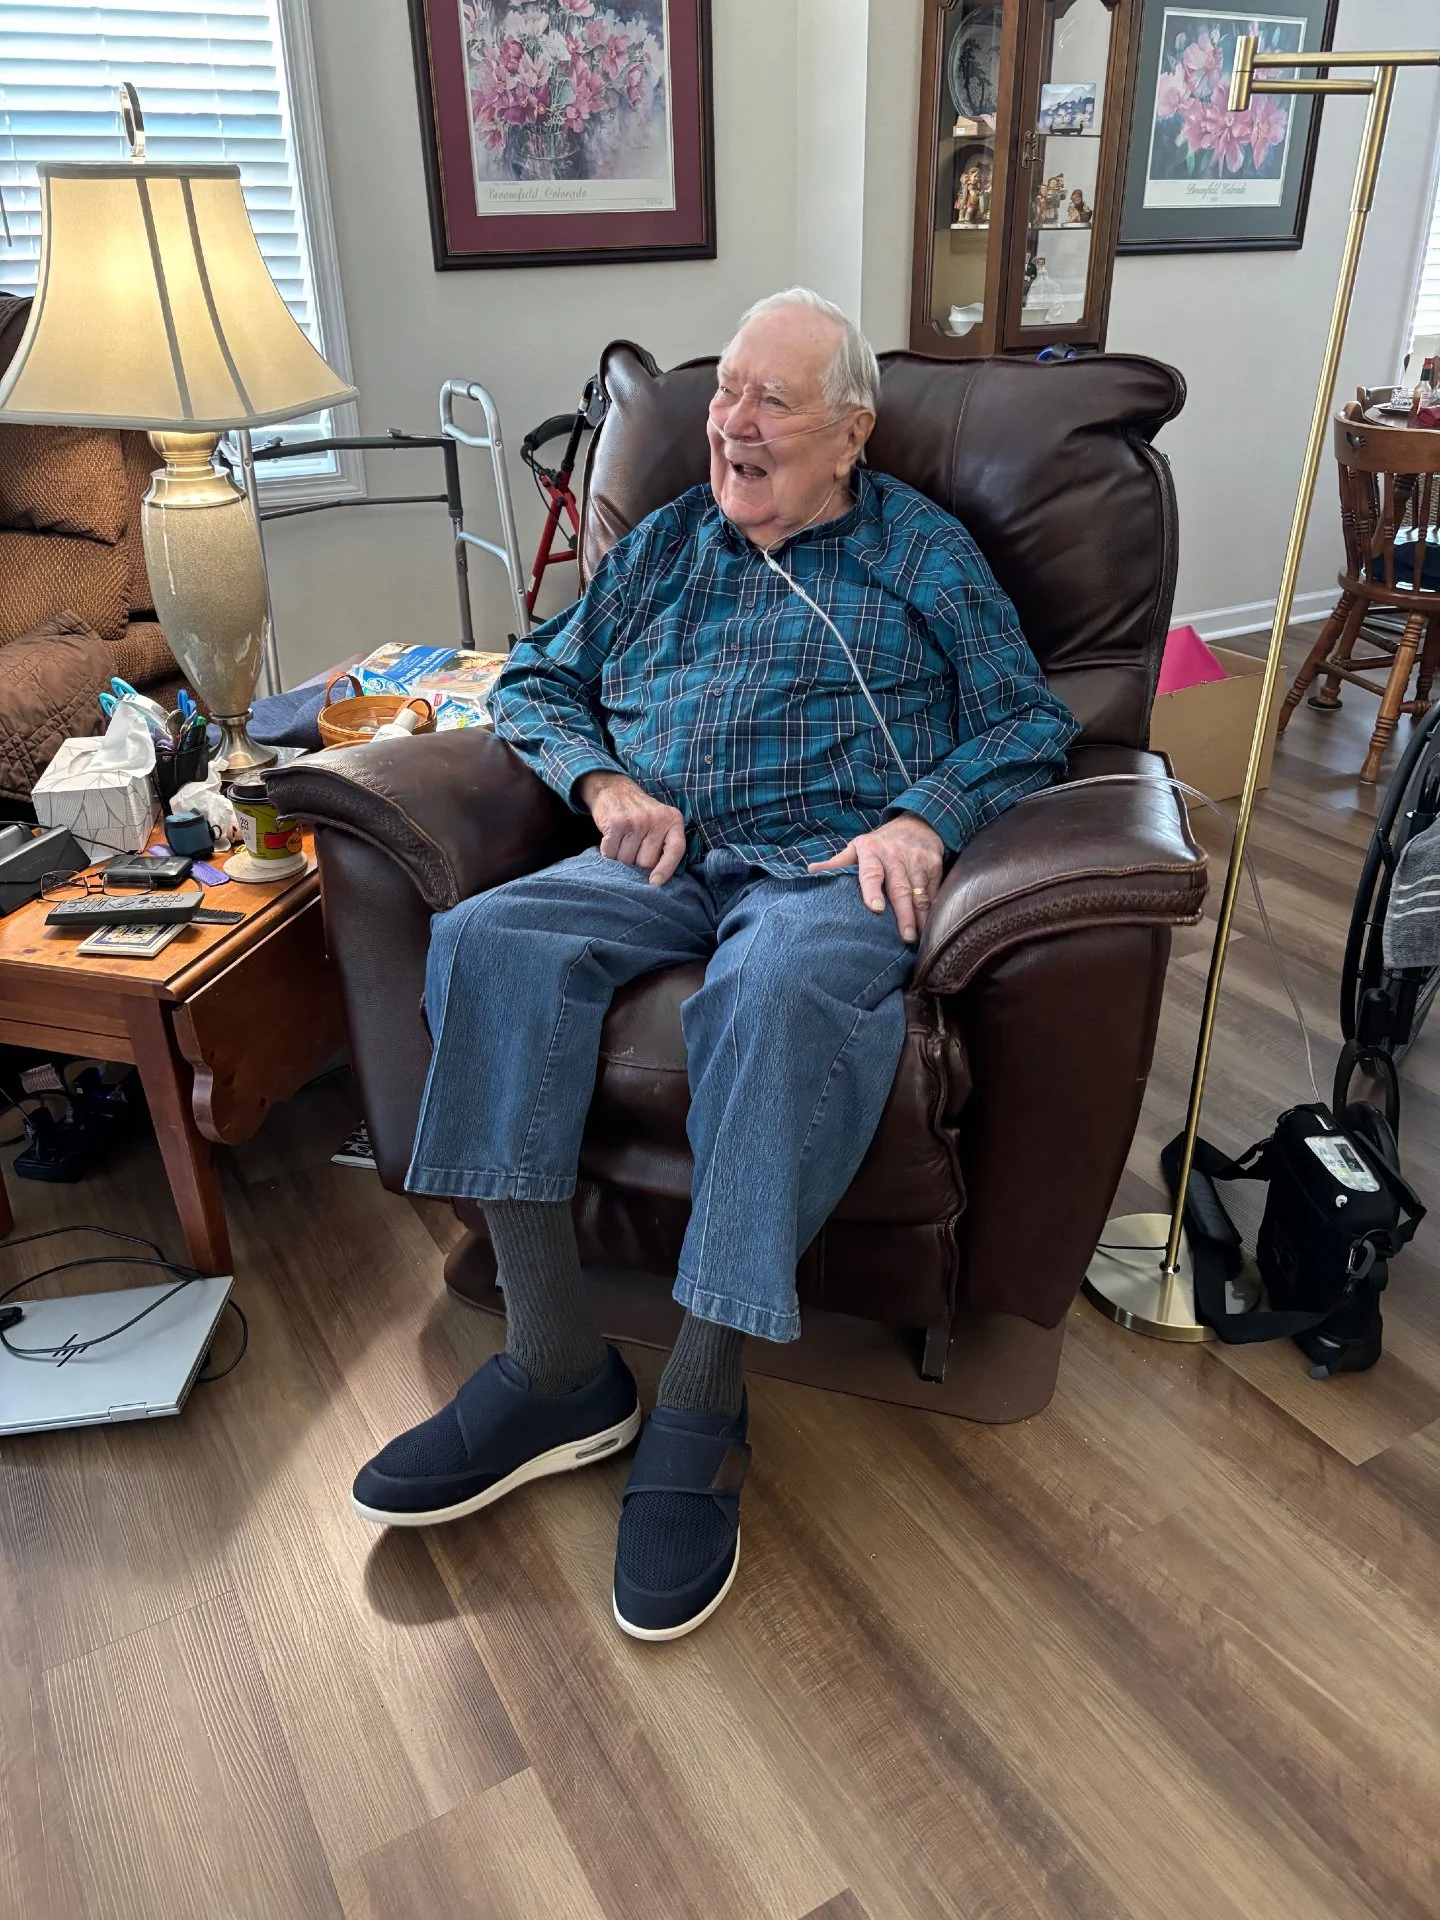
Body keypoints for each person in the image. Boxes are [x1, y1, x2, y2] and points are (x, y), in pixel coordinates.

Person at [351, 288, 1079, 1640]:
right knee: (489, 940)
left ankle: (701, 1395)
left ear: (850, 434)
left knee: (777, 995)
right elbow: (536, 680)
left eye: (771, 402)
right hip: (661, 852)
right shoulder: (670, 541)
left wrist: (924, 819)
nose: (730, 423)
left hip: (827, 864)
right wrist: (604, 783)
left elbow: (1027, 720)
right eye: (725, 393)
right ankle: (555, 1364)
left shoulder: (921, 552)